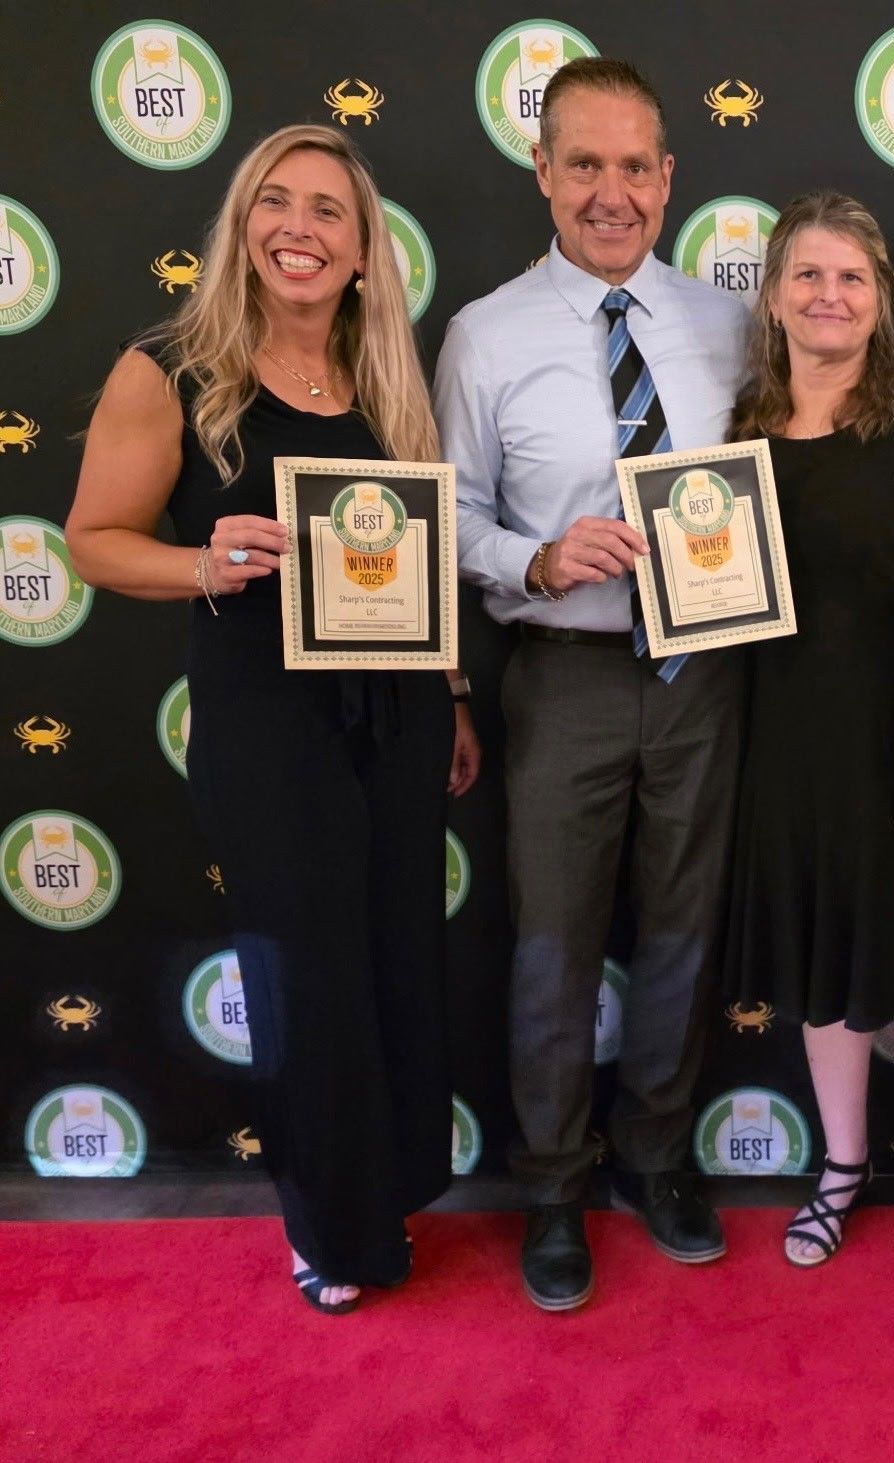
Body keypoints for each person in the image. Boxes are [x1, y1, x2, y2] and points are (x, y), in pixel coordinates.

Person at [66, 123, 481, 1316]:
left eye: (329, 213)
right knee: (308, 972)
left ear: (364, 253)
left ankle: (387, 1183)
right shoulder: (173, 369)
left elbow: (421, 562)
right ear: (242, 226)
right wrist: (204, 560)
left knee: (394, 955)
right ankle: (329, 1225)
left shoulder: (384, 380)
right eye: (276, 204)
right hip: (266, 720)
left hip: (397, 710)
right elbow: (94, 543)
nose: (299, 228)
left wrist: (449, 693)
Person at [434, 57, 748, 1312]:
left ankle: (658, 1159)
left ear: (668, 179)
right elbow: (445, 516)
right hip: (559, 674)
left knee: (682, 936)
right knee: (553, 949)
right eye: (585, 164)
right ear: (543, 172)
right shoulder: (485, 333)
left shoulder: (729, 324)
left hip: (705, 677)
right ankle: (555, 1185)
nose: (610, 192)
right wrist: (537, 555)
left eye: (635, 166)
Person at [722, 192, 894, 1270]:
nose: (829, 295)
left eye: (851, 277)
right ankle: (839, 1167)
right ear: (776, 296)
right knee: (820, 972)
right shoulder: (741, 431)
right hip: (786, 750)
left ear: (879, 301)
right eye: (808, 275)